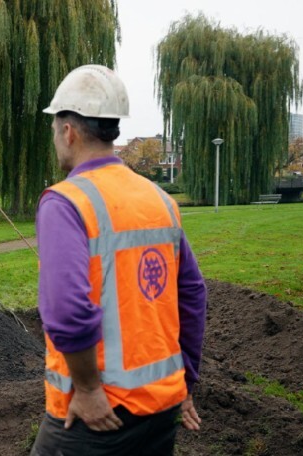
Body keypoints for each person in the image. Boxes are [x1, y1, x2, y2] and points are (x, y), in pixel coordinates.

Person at [31, 65, 207, 455]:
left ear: (68, 131)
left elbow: (68, 310)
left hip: (96, 416)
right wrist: (184, 385)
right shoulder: (160, 200)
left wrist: (90, 389)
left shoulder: (65, 202)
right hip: (159, 410)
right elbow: (192, 294)